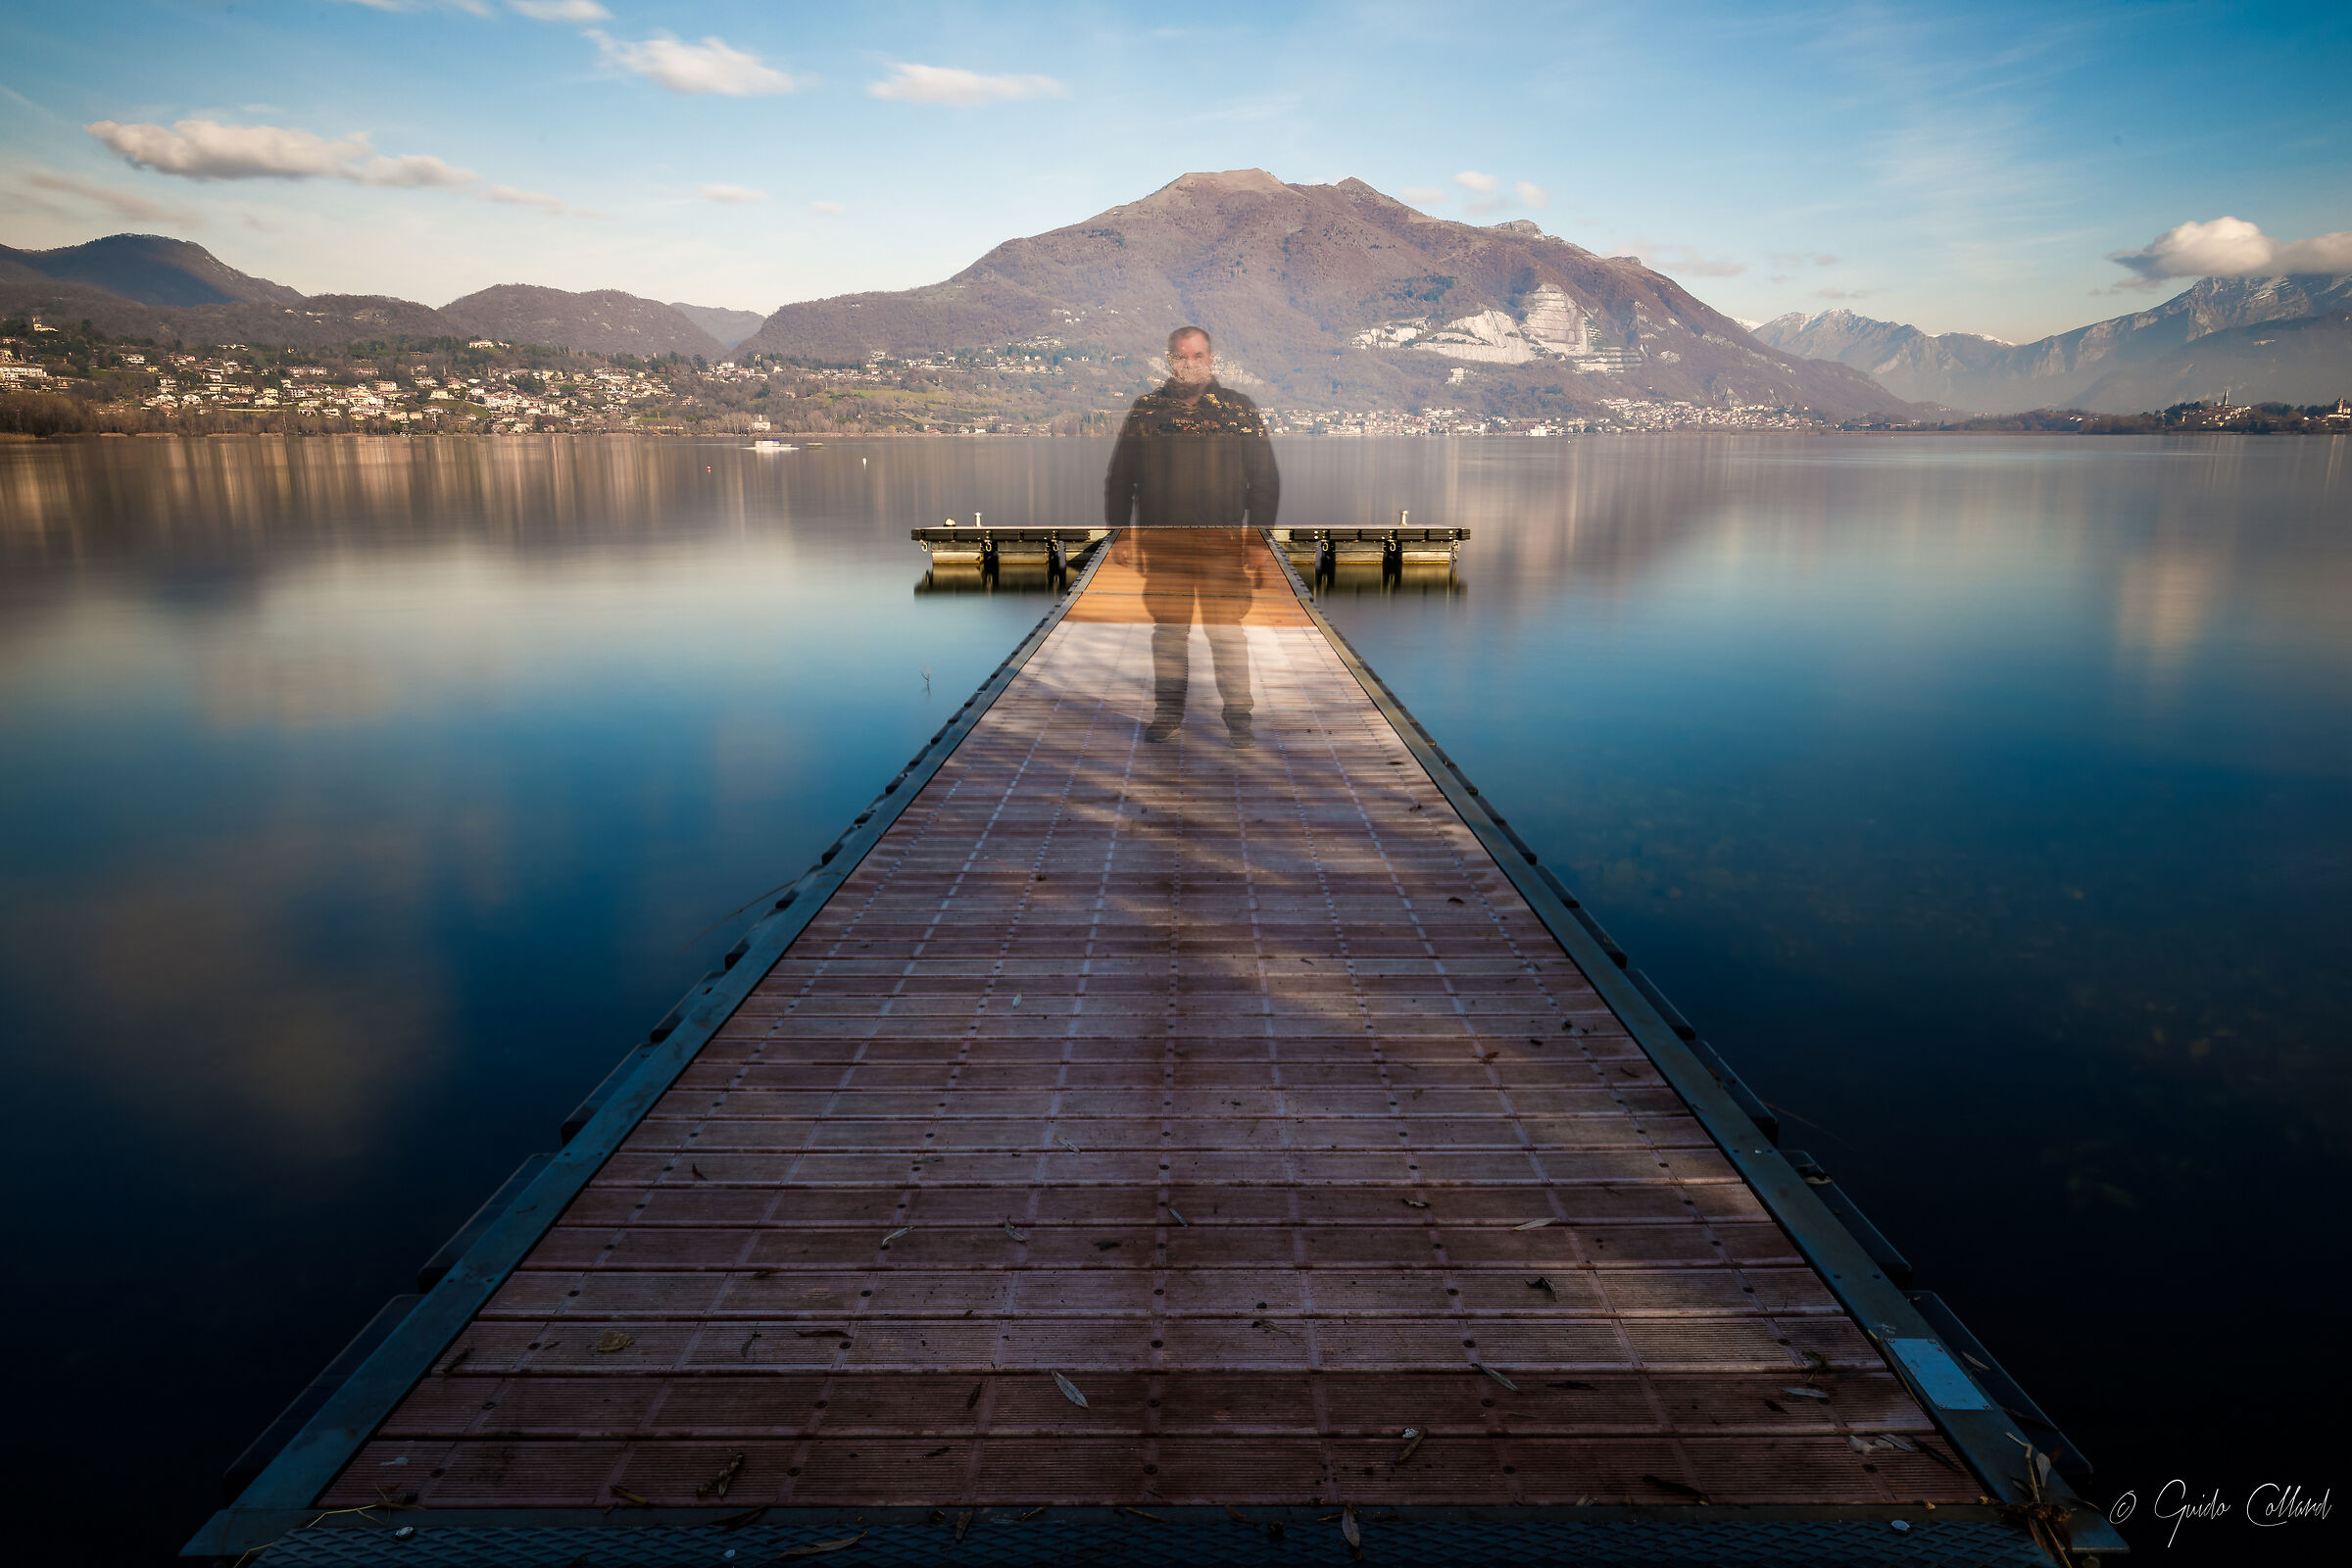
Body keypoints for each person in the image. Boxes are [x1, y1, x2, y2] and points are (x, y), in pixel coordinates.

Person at [1102, 326, 1281, 747]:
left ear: (1211, 358)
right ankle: (1168, 715)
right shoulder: (1146, 411)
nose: (1190, 364)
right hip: (1164, 546)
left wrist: (1258, 542)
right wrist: (1121, 537)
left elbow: (1265, 481)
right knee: (1168, 633)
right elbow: (1120, 480)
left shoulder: (1239, 410)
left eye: (1197, 356)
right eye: (1182, 357)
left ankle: (1239, 719)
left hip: (1223, 546)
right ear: (1170, 360)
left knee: (1227, 632)